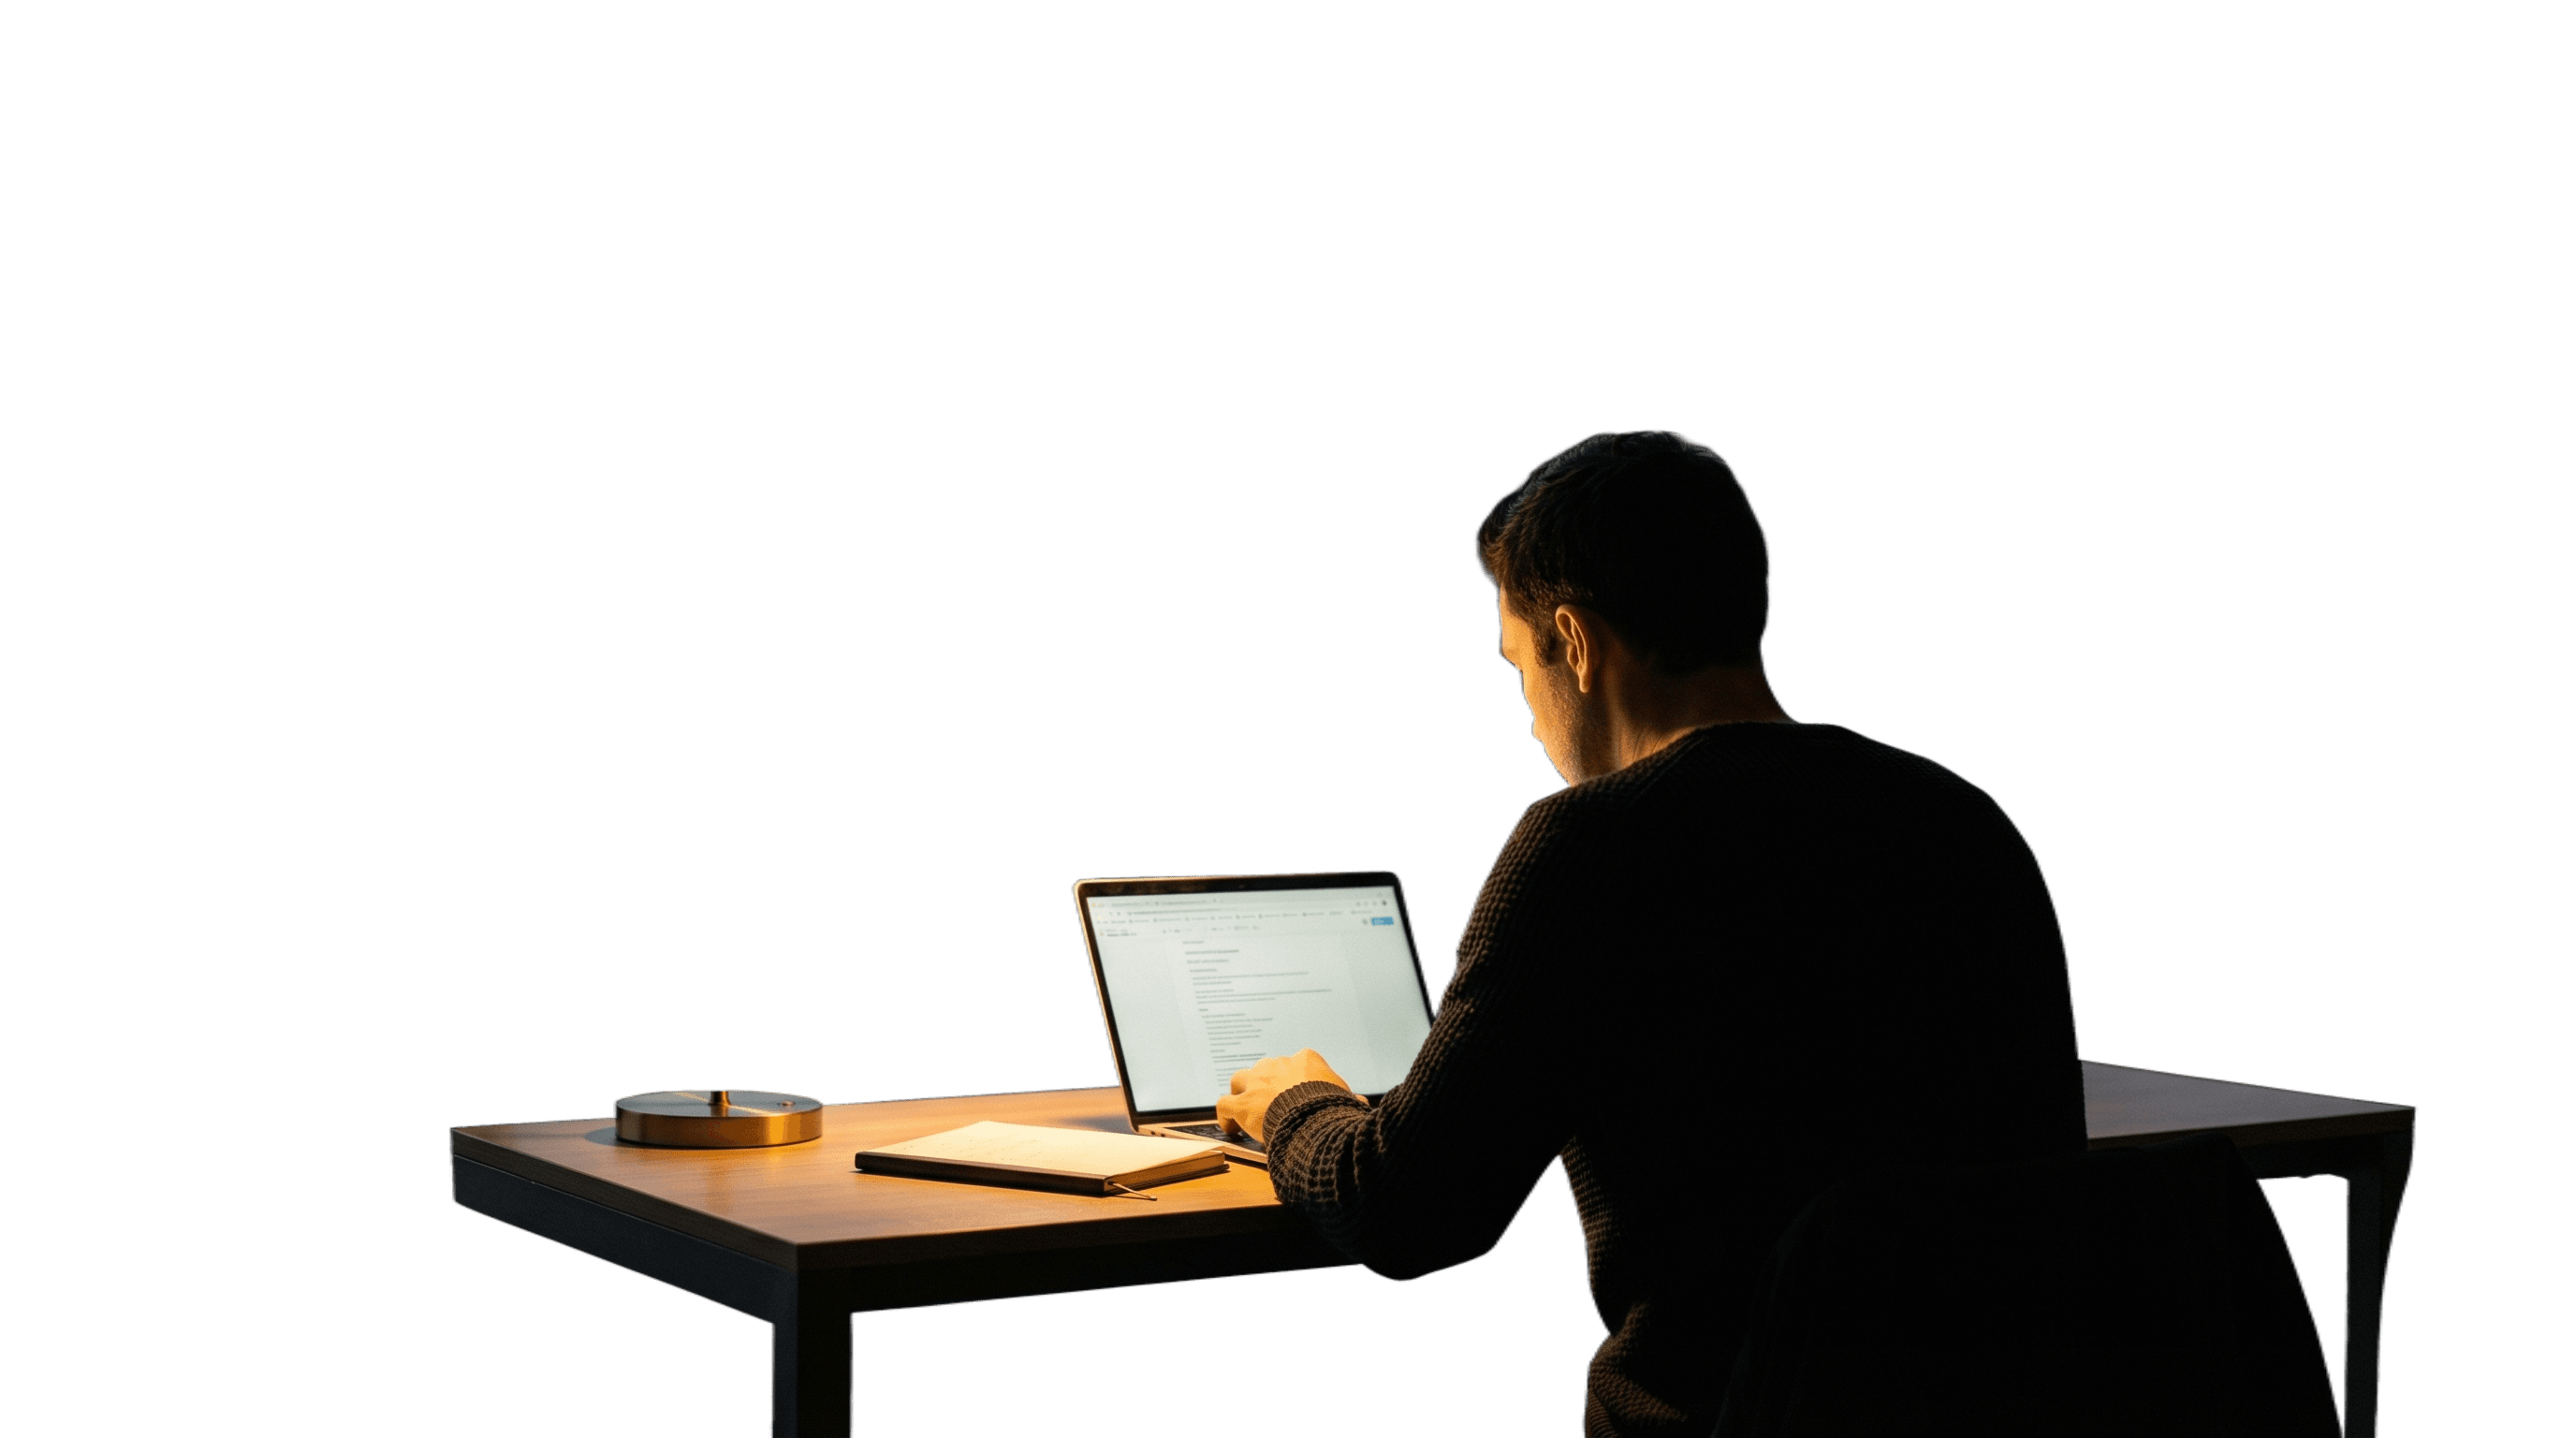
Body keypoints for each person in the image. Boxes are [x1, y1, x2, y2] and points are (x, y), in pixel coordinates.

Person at [1215, 429, 2088, 1437]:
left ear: (1575, 645)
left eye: (1518, 668)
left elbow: (1404, 1209)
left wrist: (1295, 1101)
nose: (1532, 720)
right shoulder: (1958, 817)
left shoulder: (1596, 844)